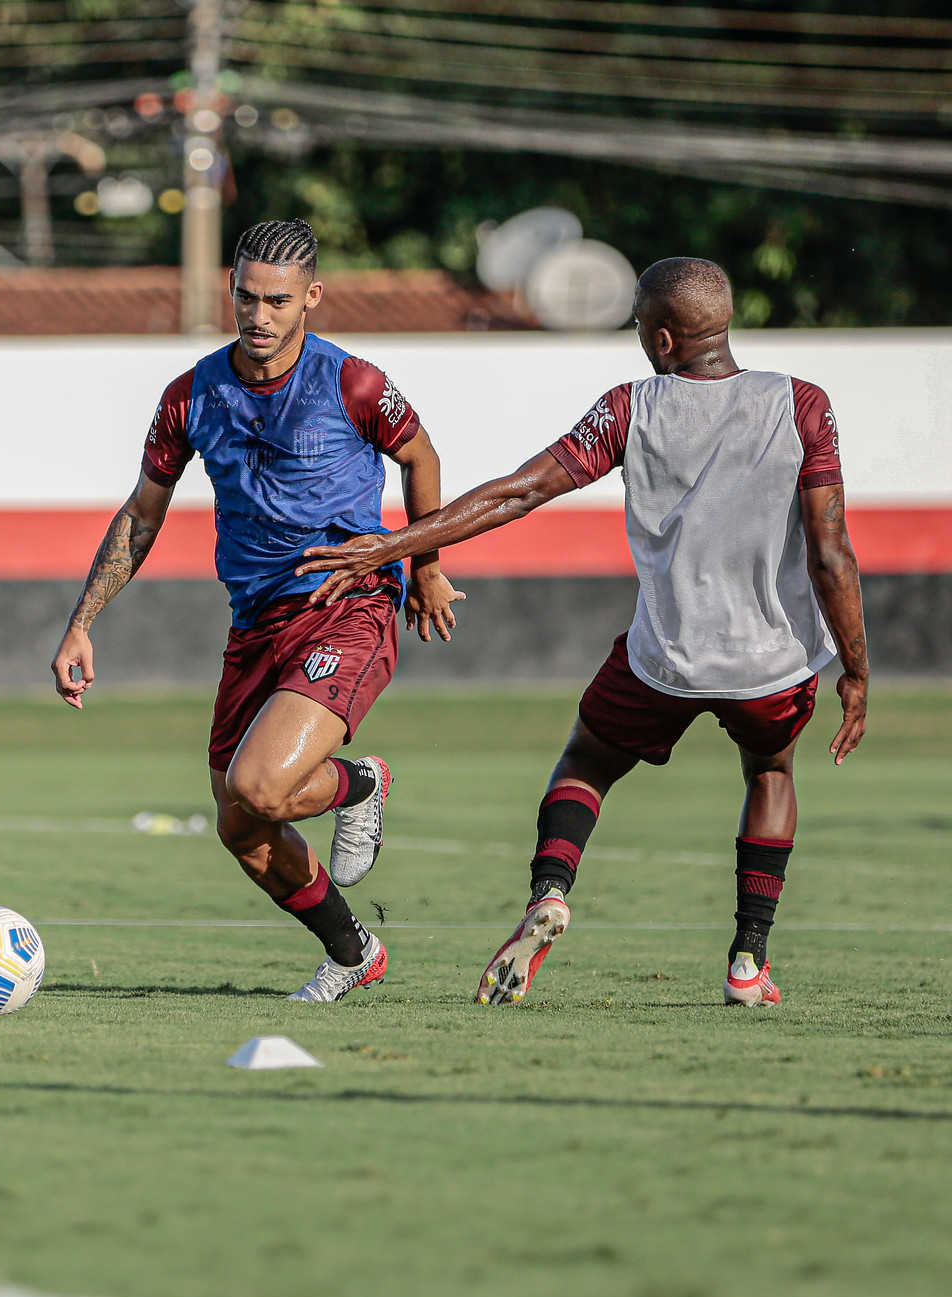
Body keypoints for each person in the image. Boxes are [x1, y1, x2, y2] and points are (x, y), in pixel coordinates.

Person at [302, 257, 868, 1008]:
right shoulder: (803, 403)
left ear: (664, 339)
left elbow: (520, 492)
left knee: (586, 761)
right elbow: (832, 551)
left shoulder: (630, 407)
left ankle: (550, 891)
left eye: (637, 323)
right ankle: (747, 960)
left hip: (661, 661)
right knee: (770, 774)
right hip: (774, 665)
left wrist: (391, 544)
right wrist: (855, 669)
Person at [50, 219, 463, 1003]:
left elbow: (420, 455)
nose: (260, 315)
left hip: (349, 604)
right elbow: (142, 513)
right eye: (246, 296)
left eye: (278, 299)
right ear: (230, 292)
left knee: (264, 787)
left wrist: (427, 564)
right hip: (254, 624)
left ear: (311, 298)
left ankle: (358, 783)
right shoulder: (191, 396)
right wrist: (83, 620)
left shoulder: (355, 383)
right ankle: (352, 949)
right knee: (239, 824)